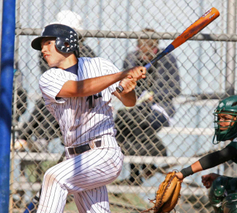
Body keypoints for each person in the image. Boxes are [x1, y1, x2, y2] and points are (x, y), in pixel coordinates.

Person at [30, 23, 146, 213]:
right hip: (75, 157)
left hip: (104, 152)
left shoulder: (99, 65)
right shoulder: (49, 78)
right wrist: (121, 74)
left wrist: (127, 88)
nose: (43, 50)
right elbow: (78, 89)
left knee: (54, 177)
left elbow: (128, 101)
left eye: (48, 43)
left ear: (65, 44)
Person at [17, 10, 96, 152]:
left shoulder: (88, 53)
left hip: (81, 102)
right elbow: (50, 76)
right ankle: (32, 138)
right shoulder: (47, 51)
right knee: (48, 100)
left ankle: (34, 137)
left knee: (60, 101)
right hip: (60, 93)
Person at [114, 28, 181, 185]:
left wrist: (154, 95)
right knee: (123, 122)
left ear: (155, 47)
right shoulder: (132, 58)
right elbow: (124, 86)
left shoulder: (166, 59)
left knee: (135, 123)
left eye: (149, 48)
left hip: (160, 107)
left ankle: (136, 175)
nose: (144, 52)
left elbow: (175, 88)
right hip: (136, 108)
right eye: (141, 47)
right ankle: (148, 162)